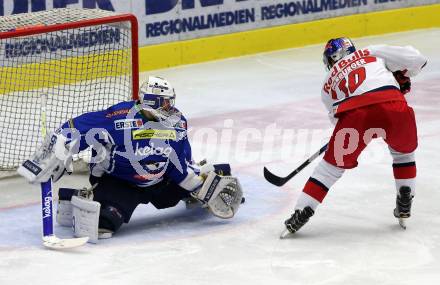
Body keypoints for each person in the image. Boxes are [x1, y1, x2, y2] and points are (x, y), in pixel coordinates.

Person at [18, 76, 243, 243]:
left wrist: (202, 186)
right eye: (165, 102)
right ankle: (74, 196)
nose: (170, 107)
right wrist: (58, 144)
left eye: (170, 102)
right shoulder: (119, 118)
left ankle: (196, 192)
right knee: (103, 227)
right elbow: (78, 127)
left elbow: (180, 160)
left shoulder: (177, 121)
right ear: (151, 102)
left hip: (161, 180)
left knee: (219, 173)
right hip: (122, 183)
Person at [282, 38, 427, 236]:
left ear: (331, 59)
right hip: (392, 104)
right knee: (403, 155)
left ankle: (301, 211)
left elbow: (336, 119)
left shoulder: (327, 83)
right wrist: (402, 76)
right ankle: (405, 197)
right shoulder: (372, 52)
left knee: (329, 170)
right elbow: (417, 58)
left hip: (354, 119)